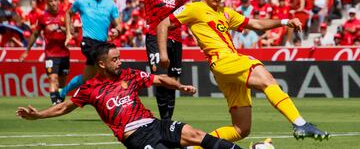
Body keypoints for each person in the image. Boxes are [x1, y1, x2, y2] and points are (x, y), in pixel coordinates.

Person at [157, 0, 329, 145]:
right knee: (266, 79)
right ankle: (300, 123)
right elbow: (163, 24)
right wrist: (163, 53)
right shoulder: (194, 9)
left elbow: (255, 23)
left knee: (241, 129)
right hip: (223, 60)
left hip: (226, 67)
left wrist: (285, 22)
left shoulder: (226, 12)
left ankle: (193, 148)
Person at [16, 42, 244, 149]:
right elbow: (63, 107)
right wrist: (38, 115)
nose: (120, 61)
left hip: (155, 125)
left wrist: (180, 86)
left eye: (119, 58)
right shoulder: (89, 88)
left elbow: (159, 79)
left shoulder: (130, 74)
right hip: (135, 137)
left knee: (195, 134)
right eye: (115, 59)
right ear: (101, 63)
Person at [127, 0, 189, 120]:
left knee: (173, 80)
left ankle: (168, 121)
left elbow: (188, 15)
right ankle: (164, 120)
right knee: (160, 76)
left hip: (175, 38)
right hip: (154, 37)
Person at [61, 0, 122, 100]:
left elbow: (119, 25)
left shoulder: (110, 4)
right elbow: (68, 13)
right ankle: (109, 96)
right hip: (88, 43)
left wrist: (117, 31)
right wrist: (69, 32)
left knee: (86, 78)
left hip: (102, 45)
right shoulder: (81, 2)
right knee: (107, 67)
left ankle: (62, 93)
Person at [19, 0, 69, 105]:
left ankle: (59, 102)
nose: (53, 3)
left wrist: (59, 27)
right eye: (50, 1)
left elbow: (72, 32)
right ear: (47, 4)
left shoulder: (65, 15)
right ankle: (55, 104)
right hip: (50, 55)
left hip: (64, 54)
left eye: (55, 0)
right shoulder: (43, 18)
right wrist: (27, 51)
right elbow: (35, 34)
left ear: (59, 2)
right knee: (52, 79)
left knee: (61, 83)